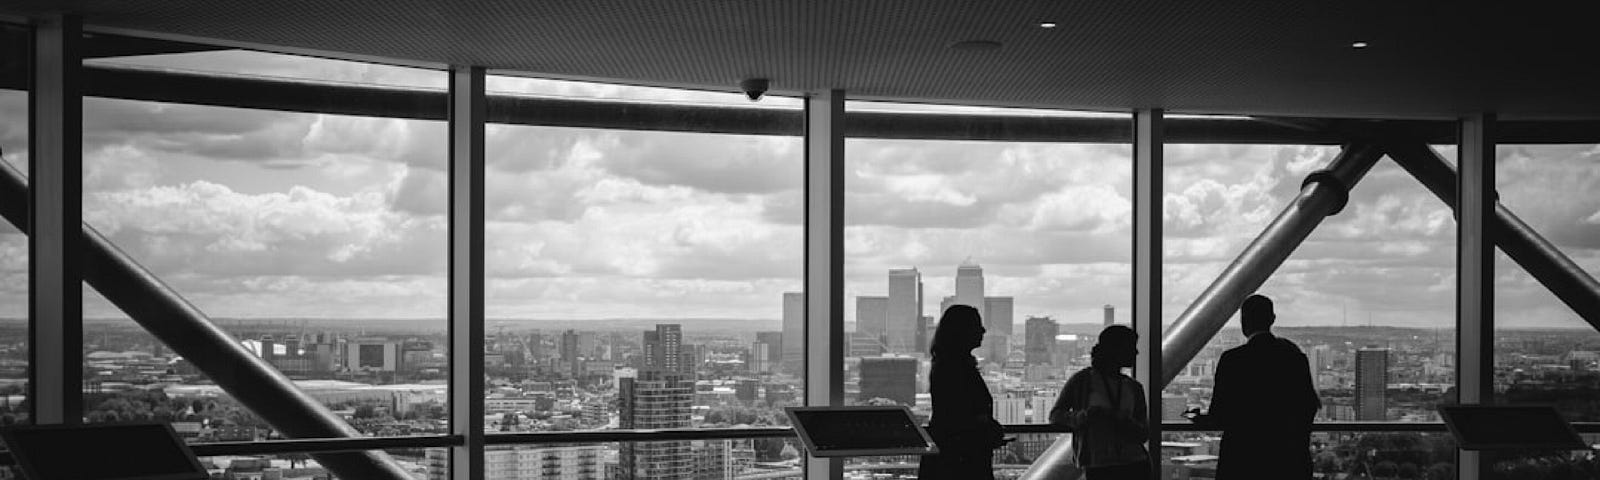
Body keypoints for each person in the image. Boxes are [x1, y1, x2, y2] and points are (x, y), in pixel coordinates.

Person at [1189, 294, 1321, 479]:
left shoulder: (1233, 360)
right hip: (1288, 460)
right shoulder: (1295, 358)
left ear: (1243, 321)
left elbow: (1220, 415)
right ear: (1272, 319)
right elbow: (1308, 406)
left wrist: (1199, 418)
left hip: (1242, 460)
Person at [1049, 325, 1149, 480]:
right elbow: (1055, 415)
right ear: (1115, 350)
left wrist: (1084, 417)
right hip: (1130, 463)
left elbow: (1057, 415)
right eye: (1131, 347)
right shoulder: (1132, 387)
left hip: (1103, 463)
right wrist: (1086, 417)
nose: (1136, 352)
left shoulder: (1084, 382)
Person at [917, 305, 1005, 480]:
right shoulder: (956, 368)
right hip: (963, 459)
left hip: (954, 458)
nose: (983, 330)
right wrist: (987, 430)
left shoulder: (947, 366)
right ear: (962, 332)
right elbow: (960, 416)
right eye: (976, 326)